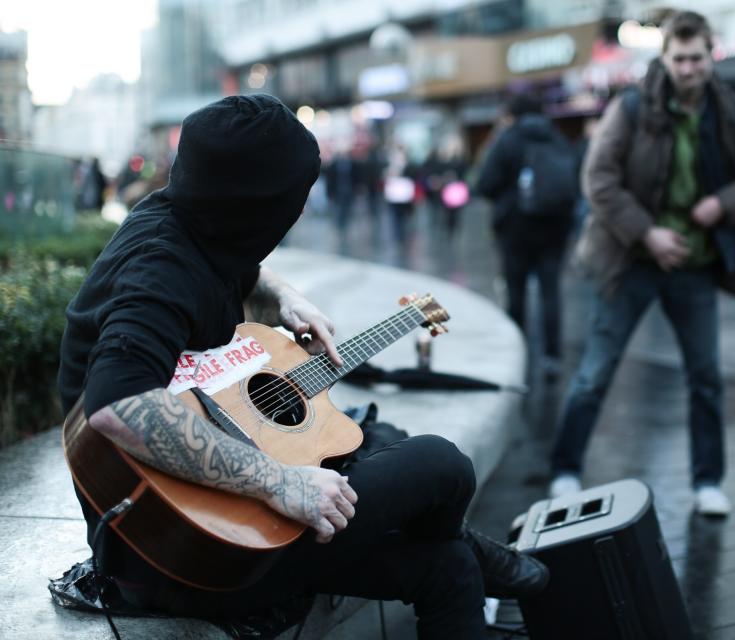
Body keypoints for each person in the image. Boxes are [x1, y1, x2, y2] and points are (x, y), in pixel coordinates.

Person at [57, 94, 547, 639]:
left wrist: (282, 294)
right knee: (440, 464)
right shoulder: (157, 273)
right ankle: (493, 556)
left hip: (215, 531)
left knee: (447, 569)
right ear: (263, 204)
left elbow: (232, 263)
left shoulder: (189, 222)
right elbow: (115, 403)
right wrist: (279, 482)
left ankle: (471, 555)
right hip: (181, 554)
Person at [548, 11, 735, 515]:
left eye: (696, 58)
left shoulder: (728, 109)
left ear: (711, 54)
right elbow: (598, 181)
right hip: (630, 259)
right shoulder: (632, 107)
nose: (687, 68)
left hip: (695, 264)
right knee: (596, 373)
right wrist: (648, 232)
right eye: (678, 59)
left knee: (705, 377)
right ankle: (565, 469)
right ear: (664, 57)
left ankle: (708, 482)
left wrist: (725, 203)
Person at [476, 93, 577, 379]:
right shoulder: (557, 138)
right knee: (550, 292)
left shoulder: (508, 139)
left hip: (515, 231)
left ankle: (518, 355)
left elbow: (485, 184)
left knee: (516, 293)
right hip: (554, 229)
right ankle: (552, 357)